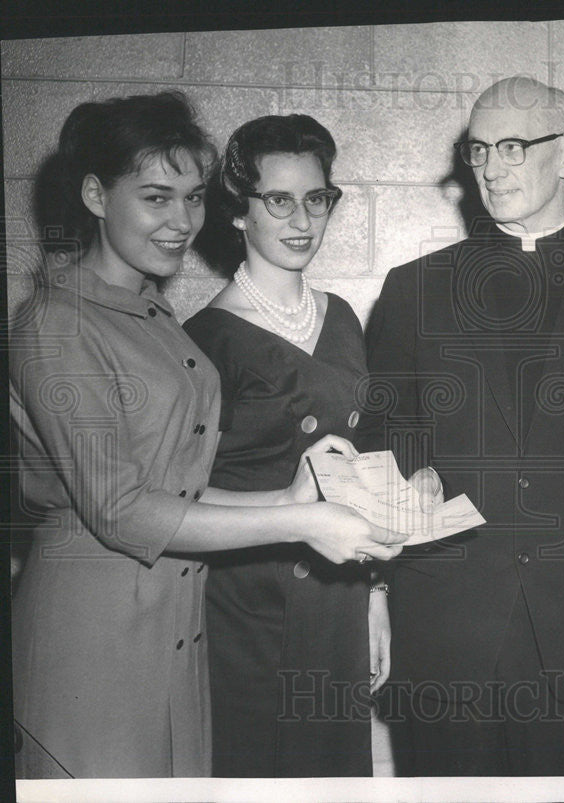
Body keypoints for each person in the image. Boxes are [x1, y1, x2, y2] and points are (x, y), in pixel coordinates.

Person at [9, 92, 405, 779]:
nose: (180, 222)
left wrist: (290, 497)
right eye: (157, 198)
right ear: (96, 195)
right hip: (97, 631)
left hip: (176, 626)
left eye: (191, 198)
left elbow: (185, 487)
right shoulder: (57, 322)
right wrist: (300, 516)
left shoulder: (153, 316)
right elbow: (122, 508)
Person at [356, 76, 564, 776]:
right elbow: (381, 434)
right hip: (447, 622)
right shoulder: (412, 288)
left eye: (513, 146)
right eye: (479, 151)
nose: (492, 167)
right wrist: (407, 473)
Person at [184, 114, 384, 777]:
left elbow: (367, 465)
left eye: (317, 197)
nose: (303, 218)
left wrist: (377, 599)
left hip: (339, 600)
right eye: (278, 200)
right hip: (246, 610)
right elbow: (169, 499)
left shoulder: (345, 317)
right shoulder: (204, 340)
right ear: (239, 212)